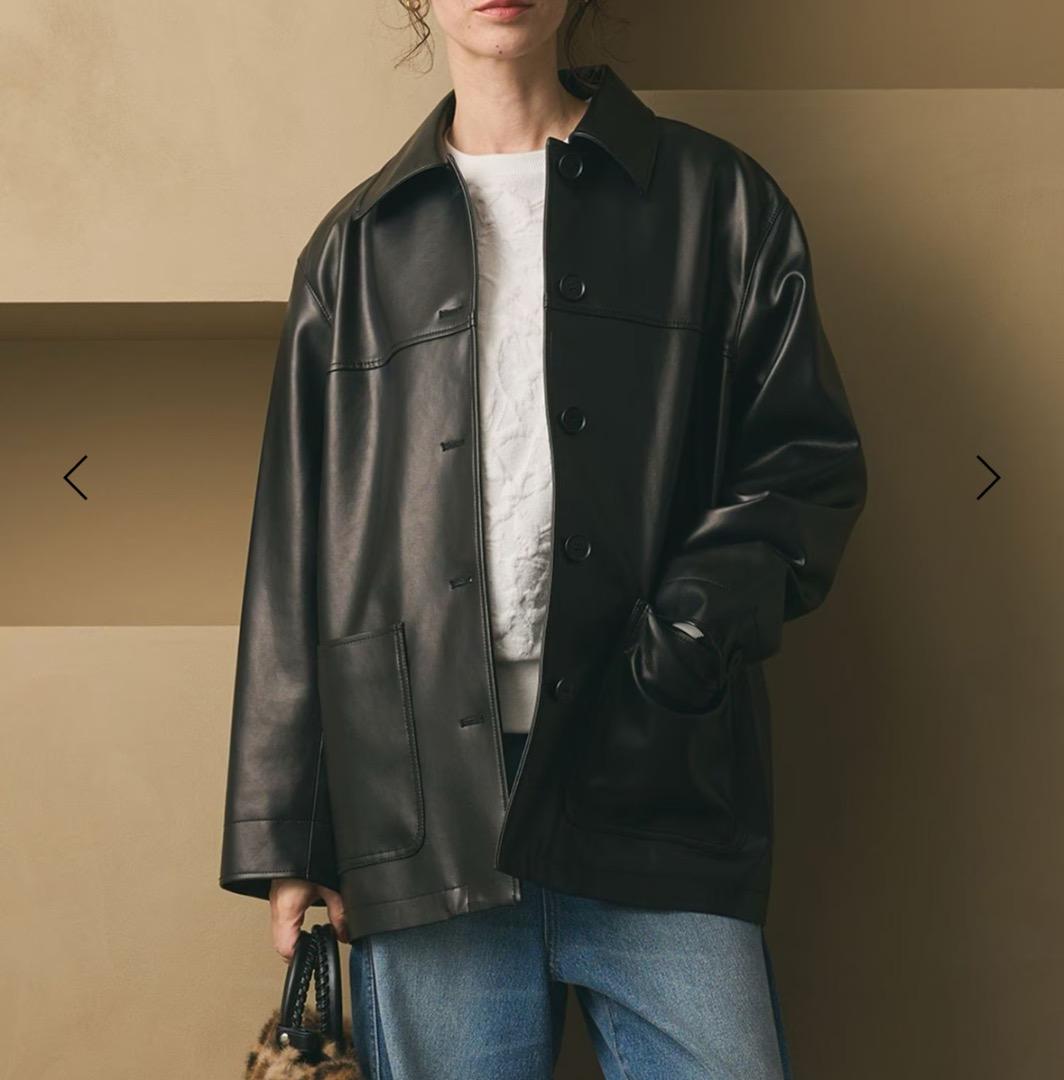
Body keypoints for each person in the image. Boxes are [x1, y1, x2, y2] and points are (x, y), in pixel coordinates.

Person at [219, 1, 867, 1077]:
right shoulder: (354, 247)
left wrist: (683, 643)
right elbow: (295, 547)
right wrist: (288, 832)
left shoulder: (716, 200)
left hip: (659, 776)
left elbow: (803, 463)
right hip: (420, 805)